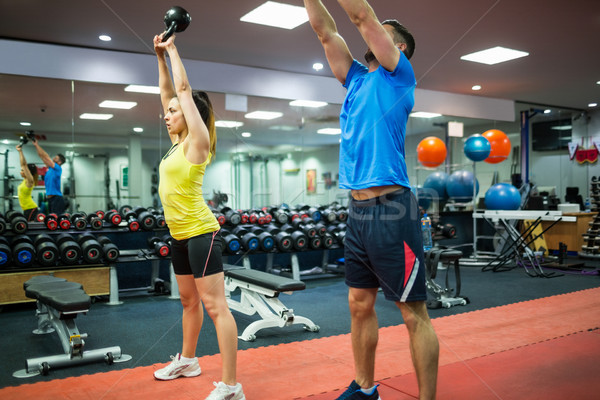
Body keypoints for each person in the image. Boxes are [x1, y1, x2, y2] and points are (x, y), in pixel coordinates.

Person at [304, 1, 439, 399]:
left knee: (412, 312)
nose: (373, 29)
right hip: (358, 211)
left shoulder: (400, 78)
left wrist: (370, 21)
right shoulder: (357, 80)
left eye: (384, 28)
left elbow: (361, 16)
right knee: (359, 304)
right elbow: (325, 31)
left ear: (397, 46)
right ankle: (365, 390)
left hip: (393, 210)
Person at [152, 32, 245, 400]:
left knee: (215, 306)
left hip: (202, 234)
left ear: (191, 116)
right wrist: (159, 57)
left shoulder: (197, 142)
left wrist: (173, 49)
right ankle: (188, 360)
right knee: (189, 302)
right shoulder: (176, 144)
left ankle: (232, 386)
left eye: (173, 112)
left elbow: (183, 90)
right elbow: (167, 93)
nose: (167, 114)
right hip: (178, 235)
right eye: (168, 110)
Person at [30, 138, 66, 215]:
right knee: (51, 221)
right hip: (50, 199)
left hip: (57, 199)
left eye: (56, 158)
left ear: (59, 162)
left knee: (56, 221)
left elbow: (46, 156)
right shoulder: (50, 169)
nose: (53, 158)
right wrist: (36, 146)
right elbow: (42, 156)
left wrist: (37, 145)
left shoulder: (57, 168)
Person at [15, 145, 40, 221]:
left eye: (22, 170)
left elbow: (23, 164)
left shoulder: (30, 180)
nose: (21, 172)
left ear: (27, 172)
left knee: (28, 228)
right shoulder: (24, 180)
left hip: (30, 208)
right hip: (27, 209)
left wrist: (20, 151)